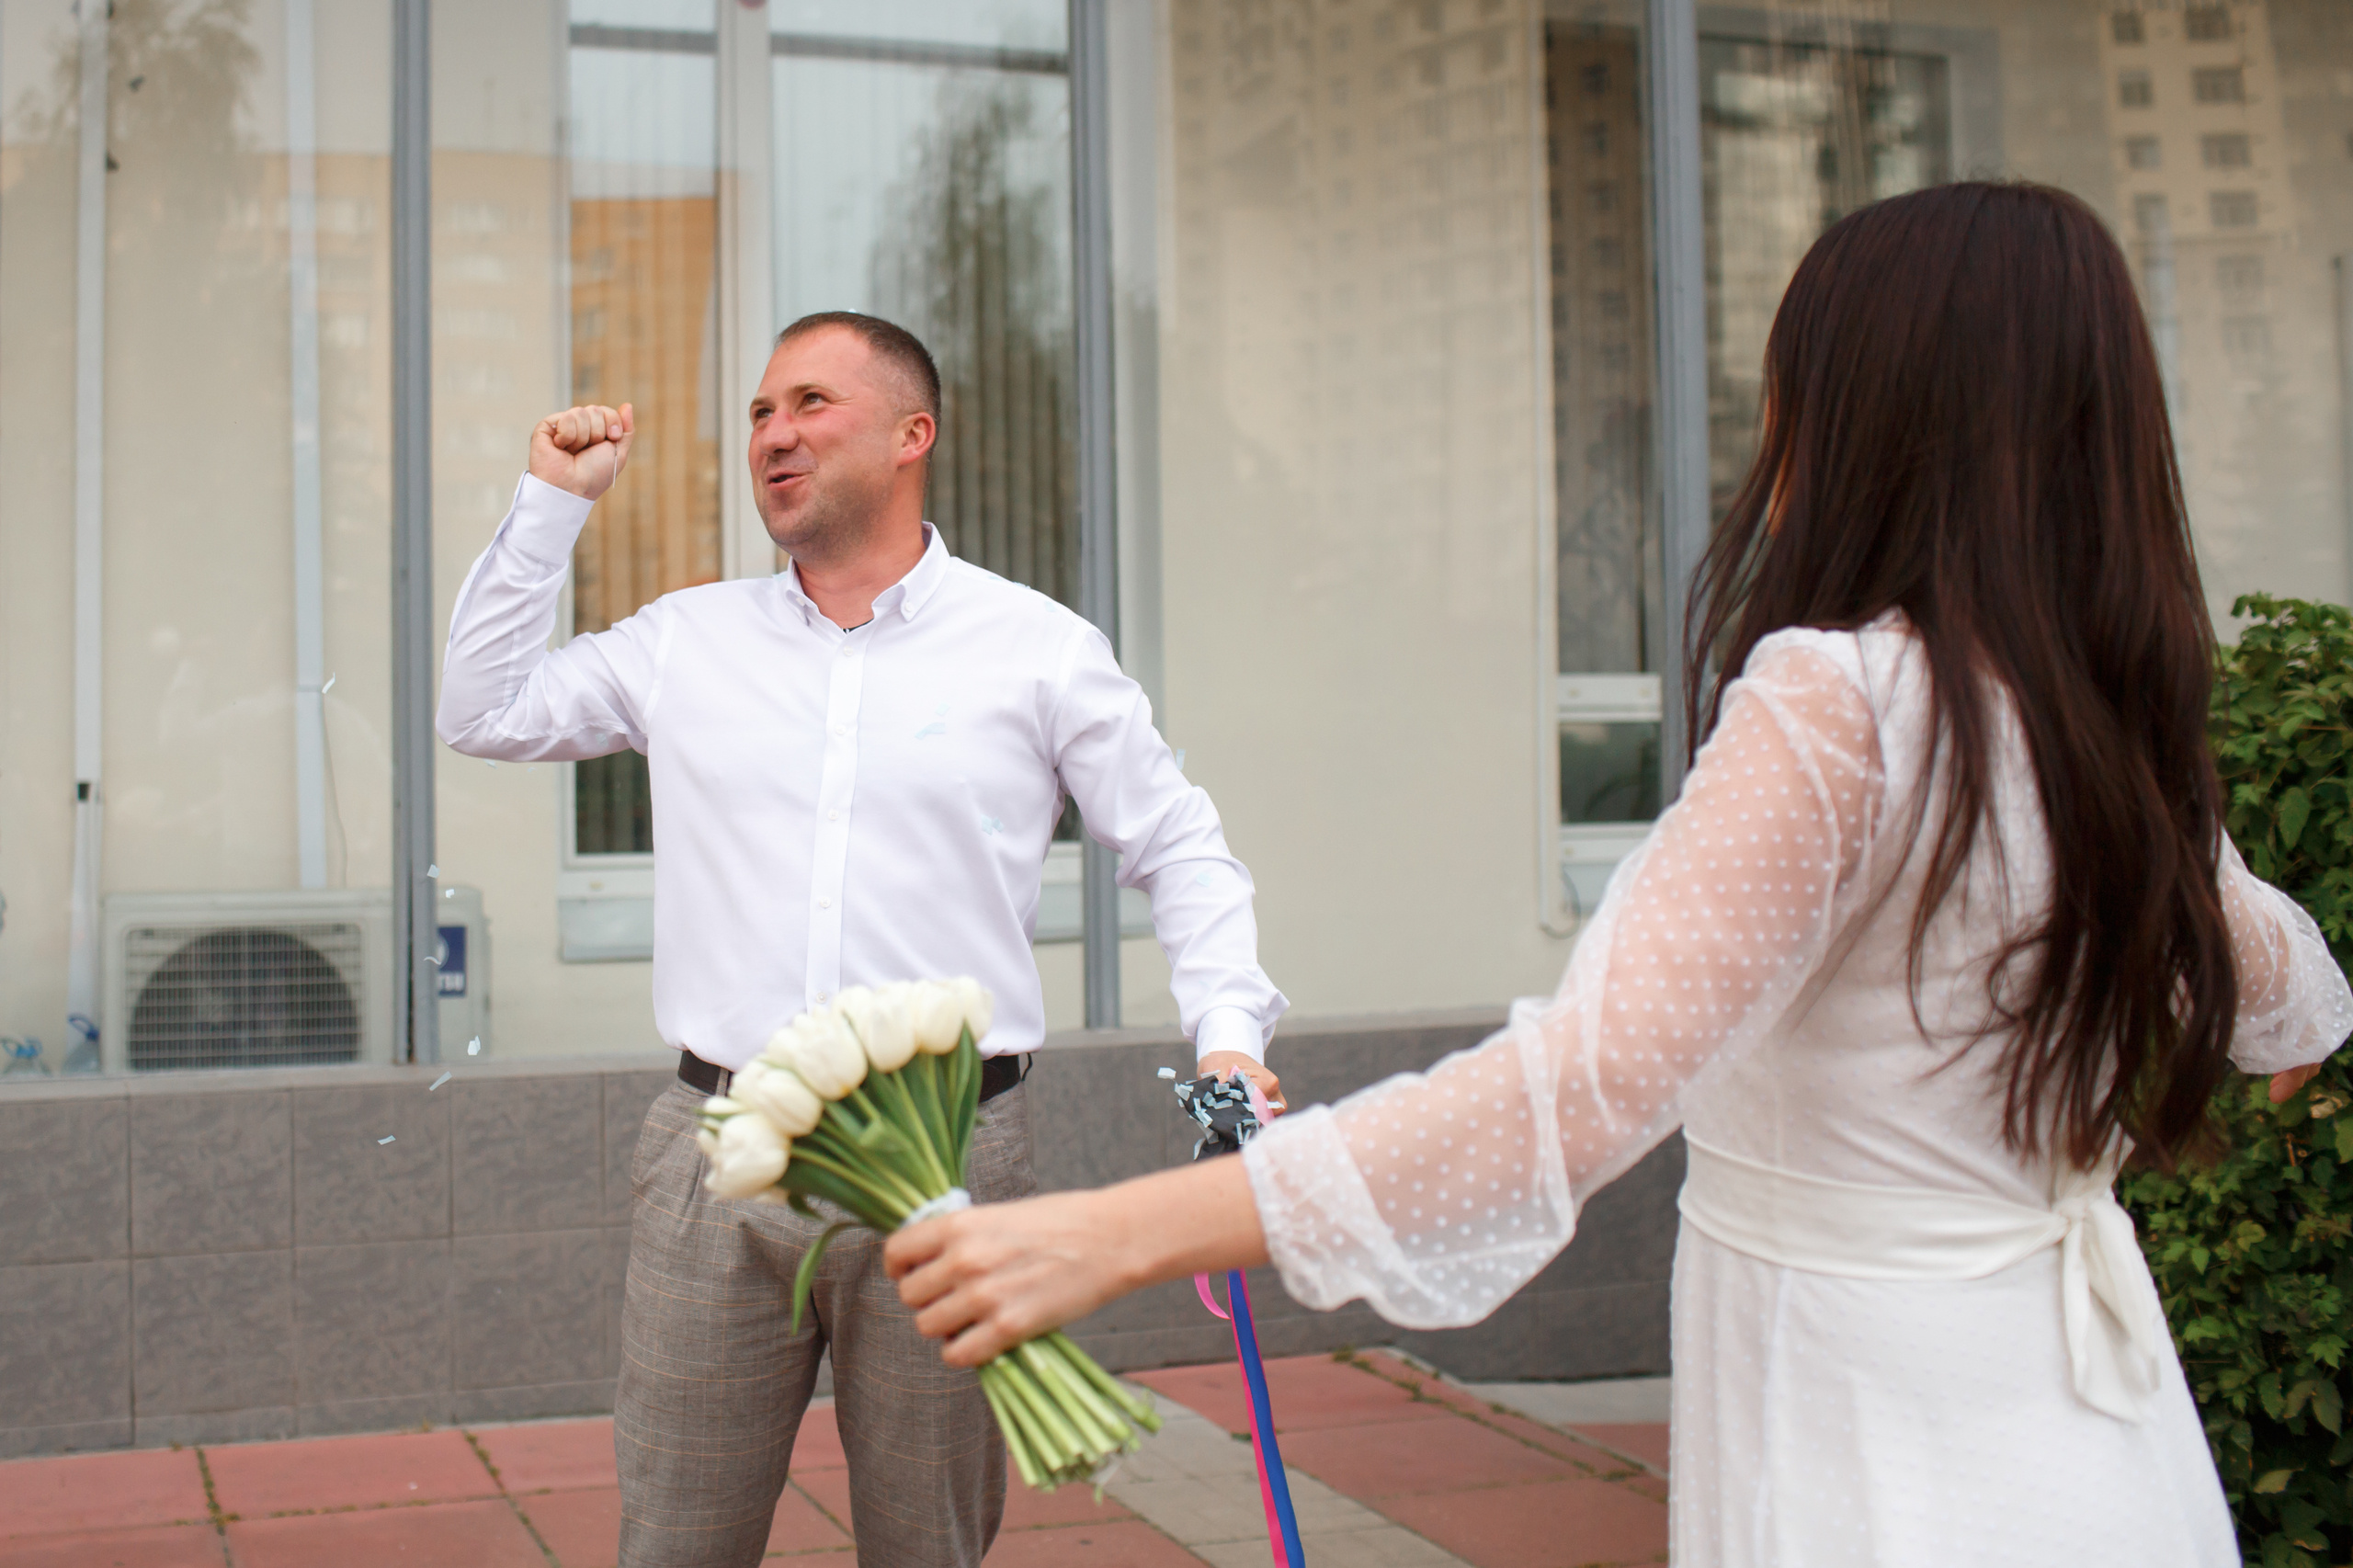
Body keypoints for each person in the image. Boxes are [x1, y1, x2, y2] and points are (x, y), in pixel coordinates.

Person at [884, 184, 2352, 1566]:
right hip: (2101, 1436)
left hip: (1876, 1434)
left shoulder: (1839, 701)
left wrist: (1103, 1232)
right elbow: (2284, 992)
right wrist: (2302, 1033)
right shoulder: (2098, 716)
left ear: (1864, 412)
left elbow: (1581, 1087)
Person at [436, 311, 1287, 1568]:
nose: (774, 433)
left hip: (951, 1149)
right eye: (761, 414)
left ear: (911, 434)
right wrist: (554, 503)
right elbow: (482, 705)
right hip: (719, 1158)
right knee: (674, 1540)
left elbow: (1181, 847)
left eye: (811, 405)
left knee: (927, 1542)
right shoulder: (687, 641)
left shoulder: (1037, 650)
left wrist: (1229, 1038)